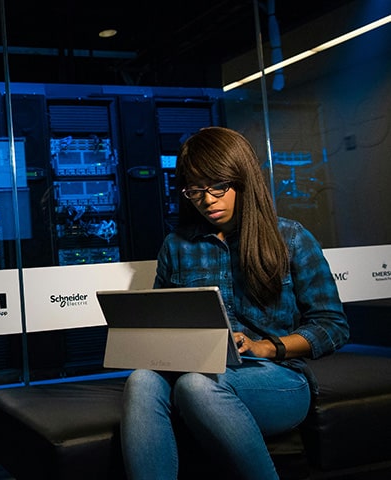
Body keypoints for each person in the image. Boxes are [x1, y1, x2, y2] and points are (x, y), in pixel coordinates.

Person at [119, 126, 349, 480]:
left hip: (277, 378)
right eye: (194, 190)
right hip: (197, 372)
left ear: (243, 180)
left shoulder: (291, 237)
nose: (207, 199)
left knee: (196, 385)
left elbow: (332, 326)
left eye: (217, 186)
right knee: (142, 380)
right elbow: (162, 326)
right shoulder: (177, 246)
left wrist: (264, 347)